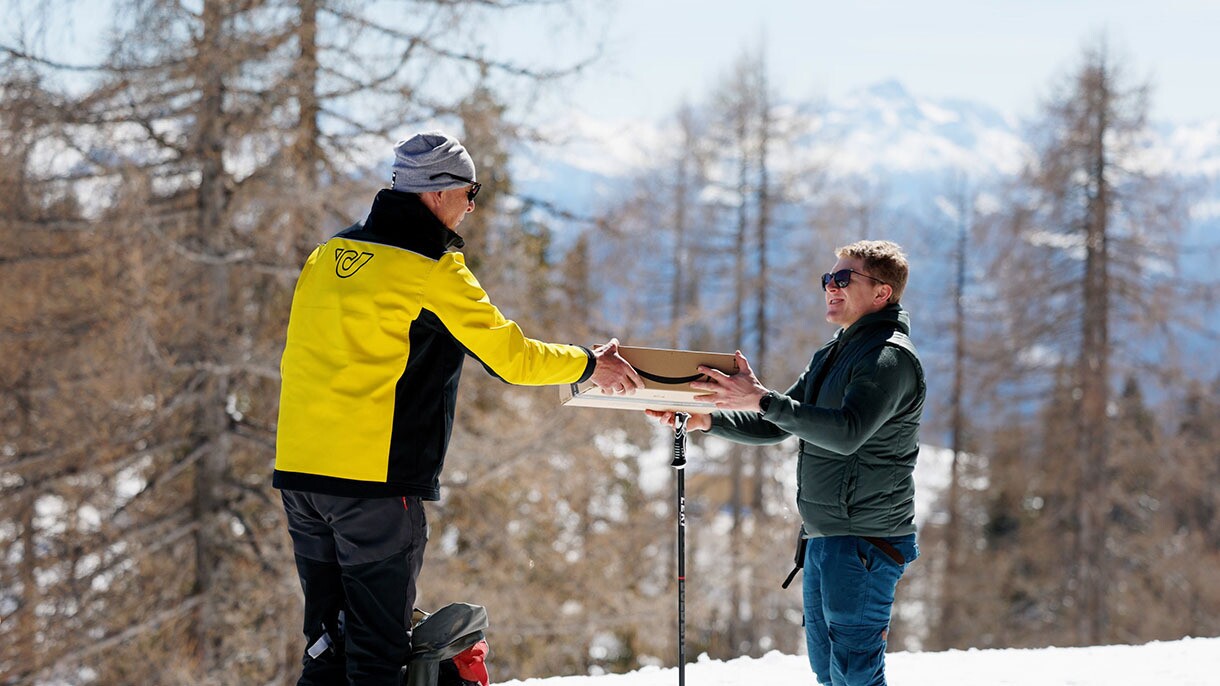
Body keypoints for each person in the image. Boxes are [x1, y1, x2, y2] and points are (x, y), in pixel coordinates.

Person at [273, 130, 644, 685]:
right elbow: (513, 358)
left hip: (302, 474)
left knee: (328, 645)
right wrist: (589, 365)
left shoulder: (328, 254)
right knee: (376, 657)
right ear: (438, 193)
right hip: (372, 484)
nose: (472, 207)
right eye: (471, 194)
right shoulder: (431, 268)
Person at [647, 240, 925, 686]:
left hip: (864, 541)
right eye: (827, 280)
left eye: (843, 279)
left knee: (856, 676)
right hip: (824, 538)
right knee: (829, 673)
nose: (830, 288)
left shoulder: (887, 359)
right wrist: (706, 420)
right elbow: (779, 423)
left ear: (882, 294)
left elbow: (847, 433)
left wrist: (762, 399)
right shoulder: (836, 353)